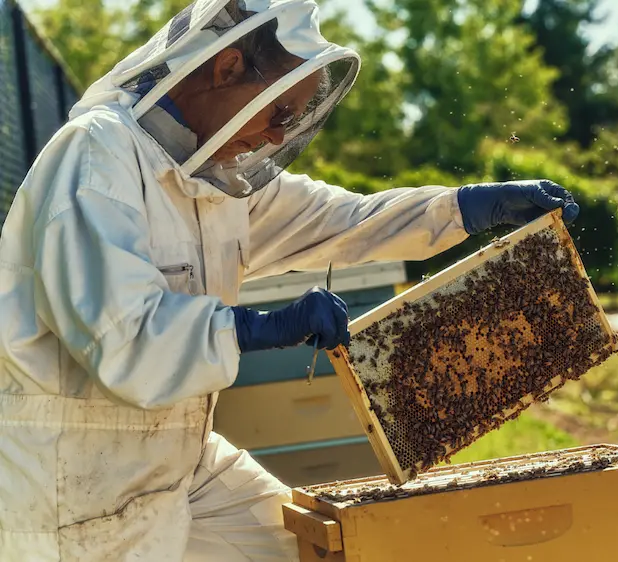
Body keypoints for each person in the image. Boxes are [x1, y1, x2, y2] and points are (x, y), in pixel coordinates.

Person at [0, 0, 579, 560]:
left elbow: (346, 220)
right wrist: (265, 327)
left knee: (309, 547)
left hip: (182, 459)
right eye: (280, 111)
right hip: (74, 482)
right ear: (226, 67)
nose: (278, 137)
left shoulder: (217, 176)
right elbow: (123, 337)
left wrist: (467, 207)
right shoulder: (98, 157)